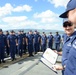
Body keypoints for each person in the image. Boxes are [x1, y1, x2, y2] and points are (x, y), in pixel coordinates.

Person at [59, 0, 76, 75]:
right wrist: (58, 53)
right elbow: (69, 54)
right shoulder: (66, 37)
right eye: (65, 25)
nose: (67, 27)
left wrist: (62, 67)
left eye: (69, 24)